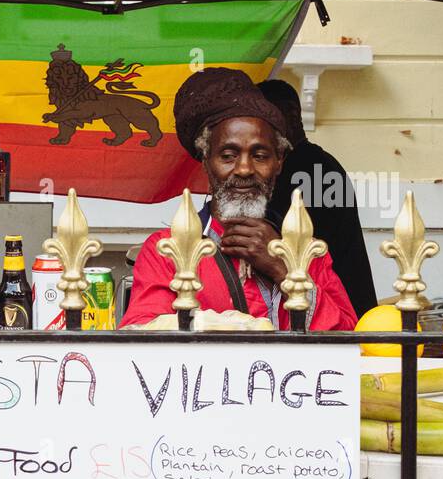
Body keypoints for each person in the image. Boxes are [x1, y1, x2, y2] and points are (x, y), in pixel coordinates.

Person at [119, 67, 358, 331]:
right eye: (228, 155)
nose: (244, 169)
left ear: (279, 162)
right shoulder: (166, 250)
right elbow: (140, 339)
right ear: (206, 162)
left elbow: (347, 344)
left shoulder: (308, 251)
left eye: (260, 155)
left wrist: (284, 270)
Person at [257, 79, 378, 317]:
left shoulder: (313, 168)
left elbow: (298, 244)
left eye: (266, 115)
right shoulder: (314, 163)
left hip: (333, 302)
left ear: (291, 115)